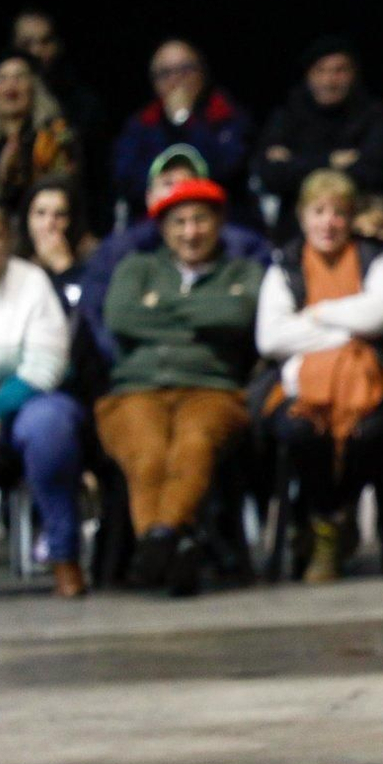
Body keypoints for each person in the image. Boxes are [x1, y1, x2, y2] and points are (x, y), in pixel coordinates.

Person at [96, 178, 261, 596]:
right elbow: (120, 317)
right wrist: (201, 318)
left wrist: (160, 310)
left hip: (211, 388)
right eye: (179, 222)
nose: (191, 232)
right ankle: (171, 545)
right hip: (137, 389)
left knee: (193, 445)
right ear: (164, 229)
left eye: (200, 220)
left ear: (219, 222)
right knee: (147, 452)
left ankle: (157, 545)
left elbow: (238, 316)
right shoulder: (137, 267)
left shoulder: (242, 271)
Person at [255, 171, 383, 583]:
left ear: (351, 218)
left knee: (373, 430)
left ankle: (324, 522)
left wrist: (318, 314)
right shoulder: (285, 266)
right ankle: (330, 521)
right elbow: (271, 337)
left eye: (339, 213)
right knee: (300, 431)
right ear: (302, 216)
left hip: (374, 381)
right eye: (318, 211)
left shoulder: (376, 259)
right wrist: (348, 335)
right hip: (298, 386)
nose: (328, 222)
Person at [79, 144, 271, 366]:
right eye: (168, 184)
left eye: (188, 183)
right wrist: (128, 362)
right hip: (137, 371)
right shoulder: (121, 251)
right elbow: (110, 318)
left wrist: (158, 311)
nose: (179, 191)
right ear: (149, 196)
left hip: (213, 369)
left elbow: (240, 315)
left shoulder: (243, 248)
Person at [0, 199, 86, 597]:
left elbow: (47, 365)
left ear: (9, 240)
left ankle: (63, 557)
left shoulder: (31, 283)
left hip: (26, 409)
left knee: (50, 425)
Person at [252, 37, 383, 242]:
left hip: (360, 232)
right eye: (320, 71)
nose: (329, 81)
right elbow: (270, 175)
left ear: (354, 74)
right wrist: (330, 160)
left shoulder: (375, 115)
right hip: (295, 236)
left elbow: (373, 173)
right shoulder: (287, 115)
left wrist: (295, 162)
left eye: (339, 71)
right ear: (308, 75)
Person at [112, 40, 252, 224]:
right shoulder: (141, 123)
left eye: (185, 69)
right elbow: (125, 178)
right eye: (165, 73)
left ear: (202, 73)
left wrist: (185, 120)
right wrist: (166, 185)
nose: (176, 79)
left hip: (221, 221)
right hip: (153, 221)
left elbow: (230, 169)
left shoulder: (226, 114)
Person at [10, 9, 106, 225]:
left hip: (67, 218)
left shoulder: (82, 105)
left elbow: (98, 178)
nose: (36, 51)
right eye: (27, 44)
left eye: (45, 42)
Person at [0, 51, 79, 213]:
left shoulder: (56, 134)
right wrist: (1, 178)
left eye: (19, 77)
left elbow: (65, 190)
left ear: (34, 86)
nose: (10, 86)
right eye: (2, 78)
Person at [18, 176, 97, 309]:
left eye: (60, 215)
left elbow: (85, 310)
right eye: (40, 213)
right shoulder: (11, 260)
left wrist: (65, 269)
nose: (48, 224)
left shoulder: (92, 260)